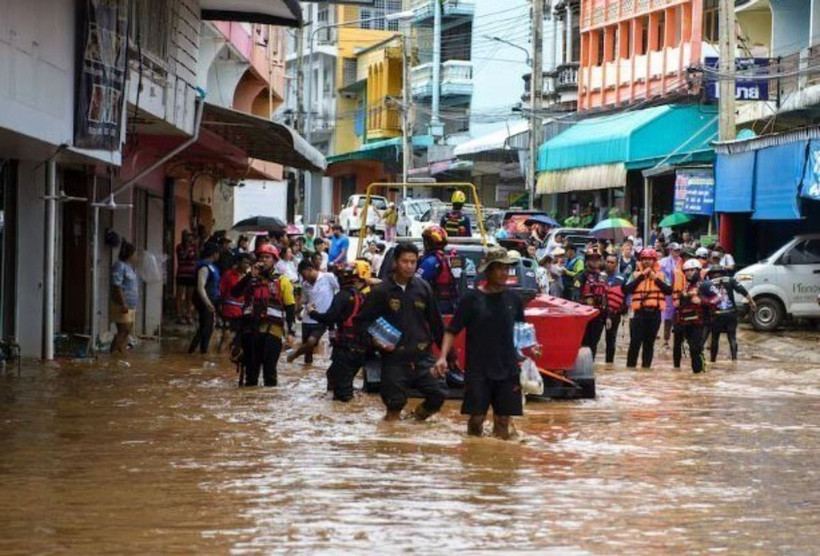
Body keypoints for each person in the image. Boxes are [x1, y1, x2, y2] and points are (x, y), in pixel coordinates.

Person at [436, 247, 538, 440]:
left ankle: (498, 463)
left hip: (508, 369)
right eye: (498, 268)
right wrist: (442, 357)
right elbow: (452, 331)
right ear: (488, 270)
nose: (503, 272)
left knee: (502, 421)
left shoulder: (514, 299)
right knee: (476, 419)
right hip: (478, 370)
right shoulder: (471, 299)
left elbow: (521, 331)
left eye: (506, 268)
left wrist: (532, 347)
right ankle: (473, 455)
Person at [355, 242, 446, 421]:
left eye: (413, 262)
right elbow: (362, 322)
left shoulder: (424, 288)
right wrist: (375, 341)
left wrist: (447, 357)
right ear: (395, 262)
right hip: (394, 359)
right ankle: (393, 439)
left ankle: (417, 420)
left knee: (438, 394)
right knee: (394, 406)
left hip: (422, 357)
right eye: (405, 261)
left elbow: (436, 323)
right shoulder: (381, 291)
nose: (409, 266)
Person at [231, 243, 296, 387]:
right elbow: (235, 293)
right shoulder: (250, 279)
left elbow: (290, 308)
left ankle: (268, 404)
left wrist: (290, 333)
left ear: (274, 261)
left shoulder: (282, 281)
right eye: (261, 257)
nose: (264, 260)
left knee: (269, 372)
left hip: (273, 332)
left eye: (267, 257)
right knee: (251, 374)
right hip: (250, 331)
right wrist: (250, 275)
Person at [308, 261, 371, 401]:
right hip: (359, 349)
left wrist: (312, 313)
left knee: (343, 392)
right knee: (333, 376)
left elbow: (329, 318)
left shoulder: (343, 295)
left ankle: (347, 418)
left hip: (346, 349)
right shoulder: (363, 297)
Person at [623, 248, 673, 369]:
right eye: (644, 259)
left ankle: (646, 369)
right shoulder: (635, 274)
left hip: (654, 314)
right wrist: (642, 276)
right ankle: (630, 368)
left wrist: (654, 278)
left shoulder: (661, 275)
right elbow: (627, 289)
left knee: (649, 344)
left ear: (654, 261)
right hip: (638, 313)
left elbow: (668, 290)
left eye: (649, 259)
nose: (646, 262)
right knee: (635, 342)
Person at [287, 259, 339, 365]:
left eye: (303, 274)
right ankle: (306, 372)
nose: (303, 277)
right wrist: (295, 313)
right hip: (307, 319)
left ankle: (294, 355)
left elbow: (340, 290)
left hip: (321, 318)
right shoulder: (305, 285)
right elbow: (304, 301)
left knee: (311, 342)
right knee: (308, 352)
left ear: (310, 269)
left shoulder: (328, 277)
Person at [673, 259, 718, 373]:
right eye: (686, 271)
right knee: (691, 349)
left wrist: (702, 301)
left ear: (698, 270)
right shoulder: (687, 287)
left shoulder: (706, 284)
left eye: (691, 270)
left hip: (702, 323)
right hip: (687, 322)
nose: (688, 273)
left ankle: (700, 373)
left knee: (696, 348)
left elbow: (719, 298)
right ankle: (695, 376)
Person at [707, 265, 755, 363]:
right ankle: (734, 360)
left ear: (711, 274)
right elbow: (742, 289)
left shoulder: (708, 283)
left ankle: (713, 361)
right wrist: (751, 301)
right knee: (732, 337)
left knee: (715, 339)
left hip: (716, 315)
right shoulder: (730, 280)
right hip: (731, 314)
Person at [416, 226, 466, 315]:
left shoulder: (430, 262)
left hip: (435, 305)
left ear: (427, 243)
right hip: (451, 304)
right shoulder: (450, 259)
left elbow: (416, 283)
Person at [574, 249, 608, 359]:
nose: (595, 262)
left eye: (597, 259)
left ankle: (590, 366)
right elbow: (575, 296)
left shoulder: (602, 277)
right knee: (583, 344)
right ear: (587, 261)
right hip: (584, 316)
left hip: (598, 316)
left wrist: (608, 317)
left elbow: (605, 297)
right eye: (592, 259)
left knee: (593, 344)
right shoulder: (581, 277)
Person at [188, 242, 221, 355]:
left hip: (211, 299)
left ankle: (202, 351)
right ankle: (195, 351)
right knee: (205, 327)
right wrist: (207, 303)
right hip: (204, 300)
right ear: (214, 254)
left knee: (208, 327)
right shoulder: (204, 267)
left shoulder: (212, 266)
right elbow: (200, 287)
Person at [219, 252, 251, 356]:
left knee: (238, 340)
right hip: (229, 311)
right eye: (245, 263)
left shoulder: (248, 276)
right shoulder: (228, 275)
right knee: (227, 336)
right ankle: (219, 358)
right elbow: (221, 291)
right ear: (238, 263)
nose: (247, 265)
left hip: (242, 312)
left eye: (248, 263)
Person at [110, 241, 139, 354]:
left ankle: (120, 353)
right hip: (122, 304)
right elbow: (117, 286)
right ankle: (112, 354)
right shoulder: (119, 266)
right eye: (134, 254)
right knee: (123, 330)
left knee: (127, 331)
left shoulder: (129, 267)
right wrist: (123, 303)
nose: (135, 256)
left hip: (131, 305)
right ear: (129, 254)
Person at [603, 253, 627, 364]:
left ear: (616, 264)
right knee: (593, 340)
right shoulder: (599, 276)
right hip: (599, 312)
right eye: (607, 262)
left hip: (614, 313)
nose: (609, 264)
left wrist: (624, 309)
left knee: (611, 340)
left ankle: (609, 363)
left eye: (612, 262)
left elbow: (626, 296)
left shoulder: (622, 278)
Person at [660, 242, 683, 349]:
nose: (676, 253)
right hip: (668, 294)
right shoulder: (663, 262)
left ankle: (680, 341)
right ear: (670, 250)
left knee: (681, 317)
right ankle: (666, 340)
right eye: (675, 251)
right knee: (668, 318)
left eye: (678, 251)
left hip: (680, 293)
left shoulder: (683, 262)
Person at [175, 230, 198, 324]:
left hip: (191, 274)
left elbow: (196, 257)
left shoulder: (194, 247)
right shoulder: (179, 247)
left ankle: (188, 314)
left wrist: (196, 248)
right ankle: (179, 315)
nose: (189, 238)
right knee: (180, 296)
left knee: (190, 296)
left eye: (190, 236)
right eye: (187, 236)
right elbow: (183, 257)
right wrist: (188, 248)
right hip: (182, 274)